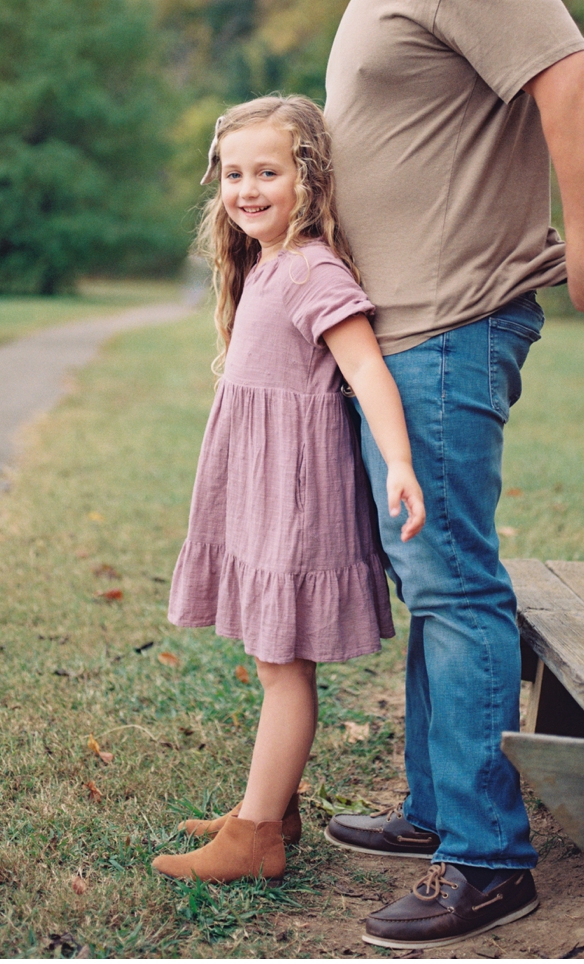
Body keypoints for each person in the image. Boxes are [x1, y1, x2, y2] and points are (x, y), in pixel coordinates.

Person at [323, 0, 584, 951]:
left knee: (452, 581)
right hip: (399, 328)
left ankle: (487, 861)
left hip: (449, 325)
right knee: (432, 578)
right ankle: (433, 807)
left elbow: (577, 86)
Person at [152, 95, 425, 885]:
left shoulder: (310, 267)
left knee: (283, 665)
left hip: (297, 498)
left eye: (267, 171)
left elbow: (366, 366)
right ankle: (271, 804)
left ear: (307, 178)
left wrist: (399, 461)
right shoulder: (267, 263)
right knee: (277, 660)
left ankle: (258, 835)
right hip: (263, 488)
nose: (246, 189)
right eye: (234, 173)